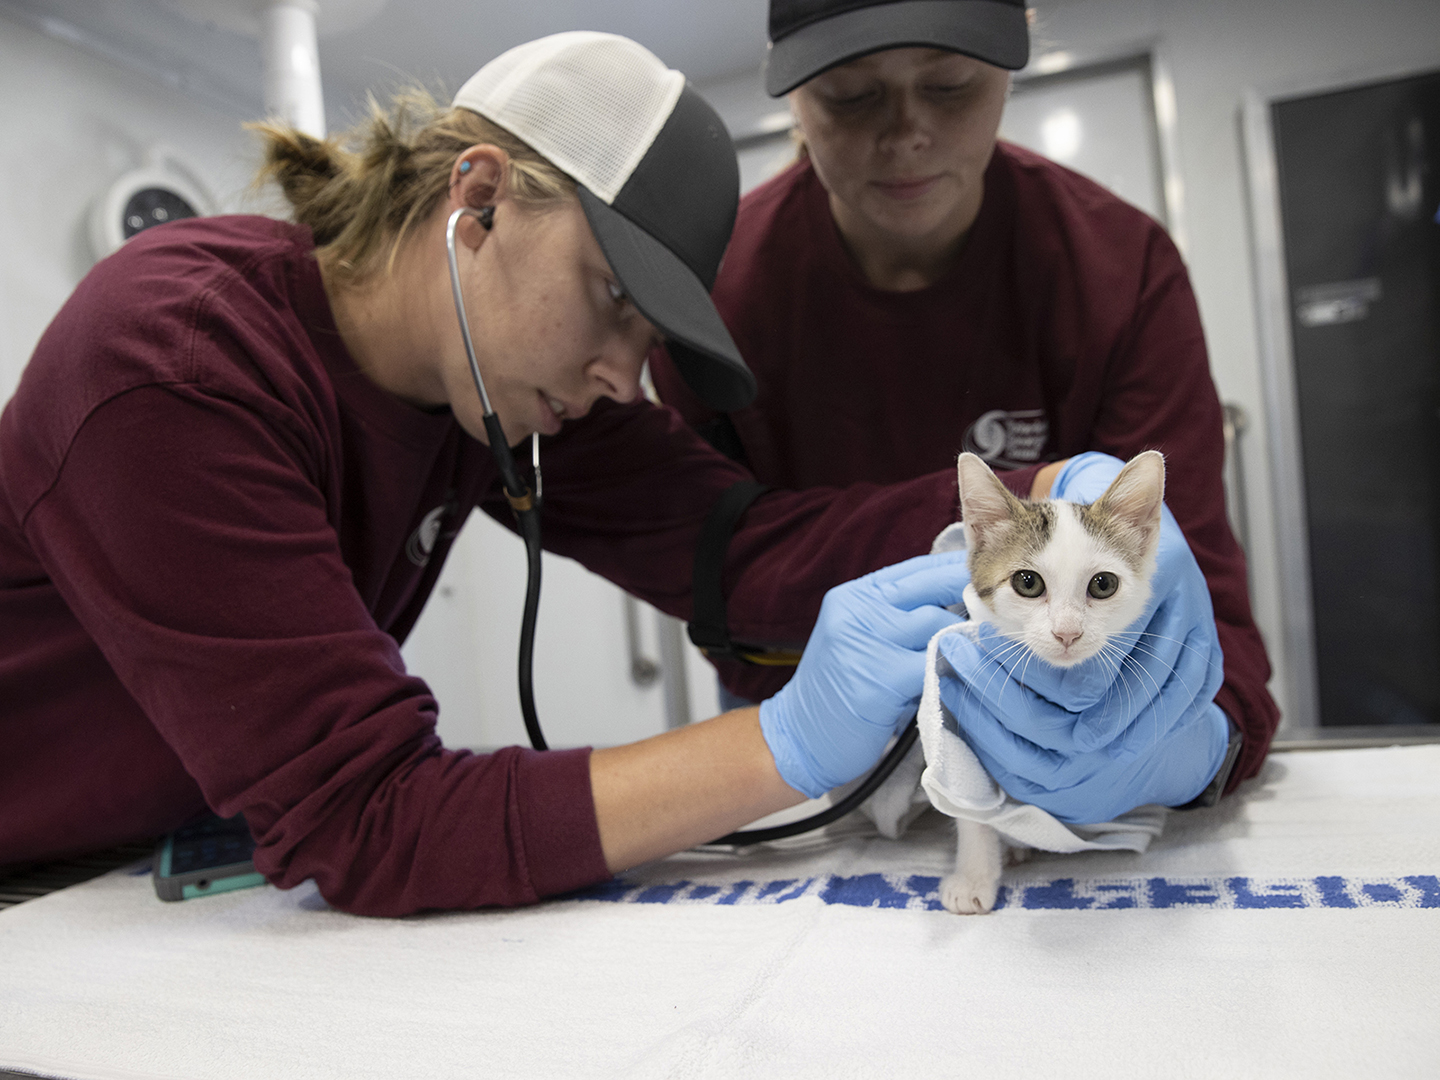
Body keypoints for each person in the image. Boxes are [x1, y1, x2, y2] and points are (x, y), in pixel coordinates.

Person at [0, 32, 977, 916]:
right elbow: (368, 818)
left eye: (649, 338)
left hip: (155, 865)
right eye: (613, 297)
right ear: (480, 198)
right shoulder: (179, 362)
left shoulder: (496, 382)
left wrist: (1034, 511)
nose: (619, 376)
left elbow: (741, 546)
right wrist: (779, 746)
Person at [650, 0, 1281, 818]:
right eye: (851, 96)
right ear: (795, 97)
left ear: (1011, 73)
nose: (908, 132)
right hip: (823, 725)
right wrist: (808, 730)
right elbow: (722, 578)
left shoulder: (1118, 272)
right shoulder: (716, 301)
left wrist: (1189, 746)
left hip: (1068, 718)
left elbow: (1217, 643)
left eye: (951, 86)